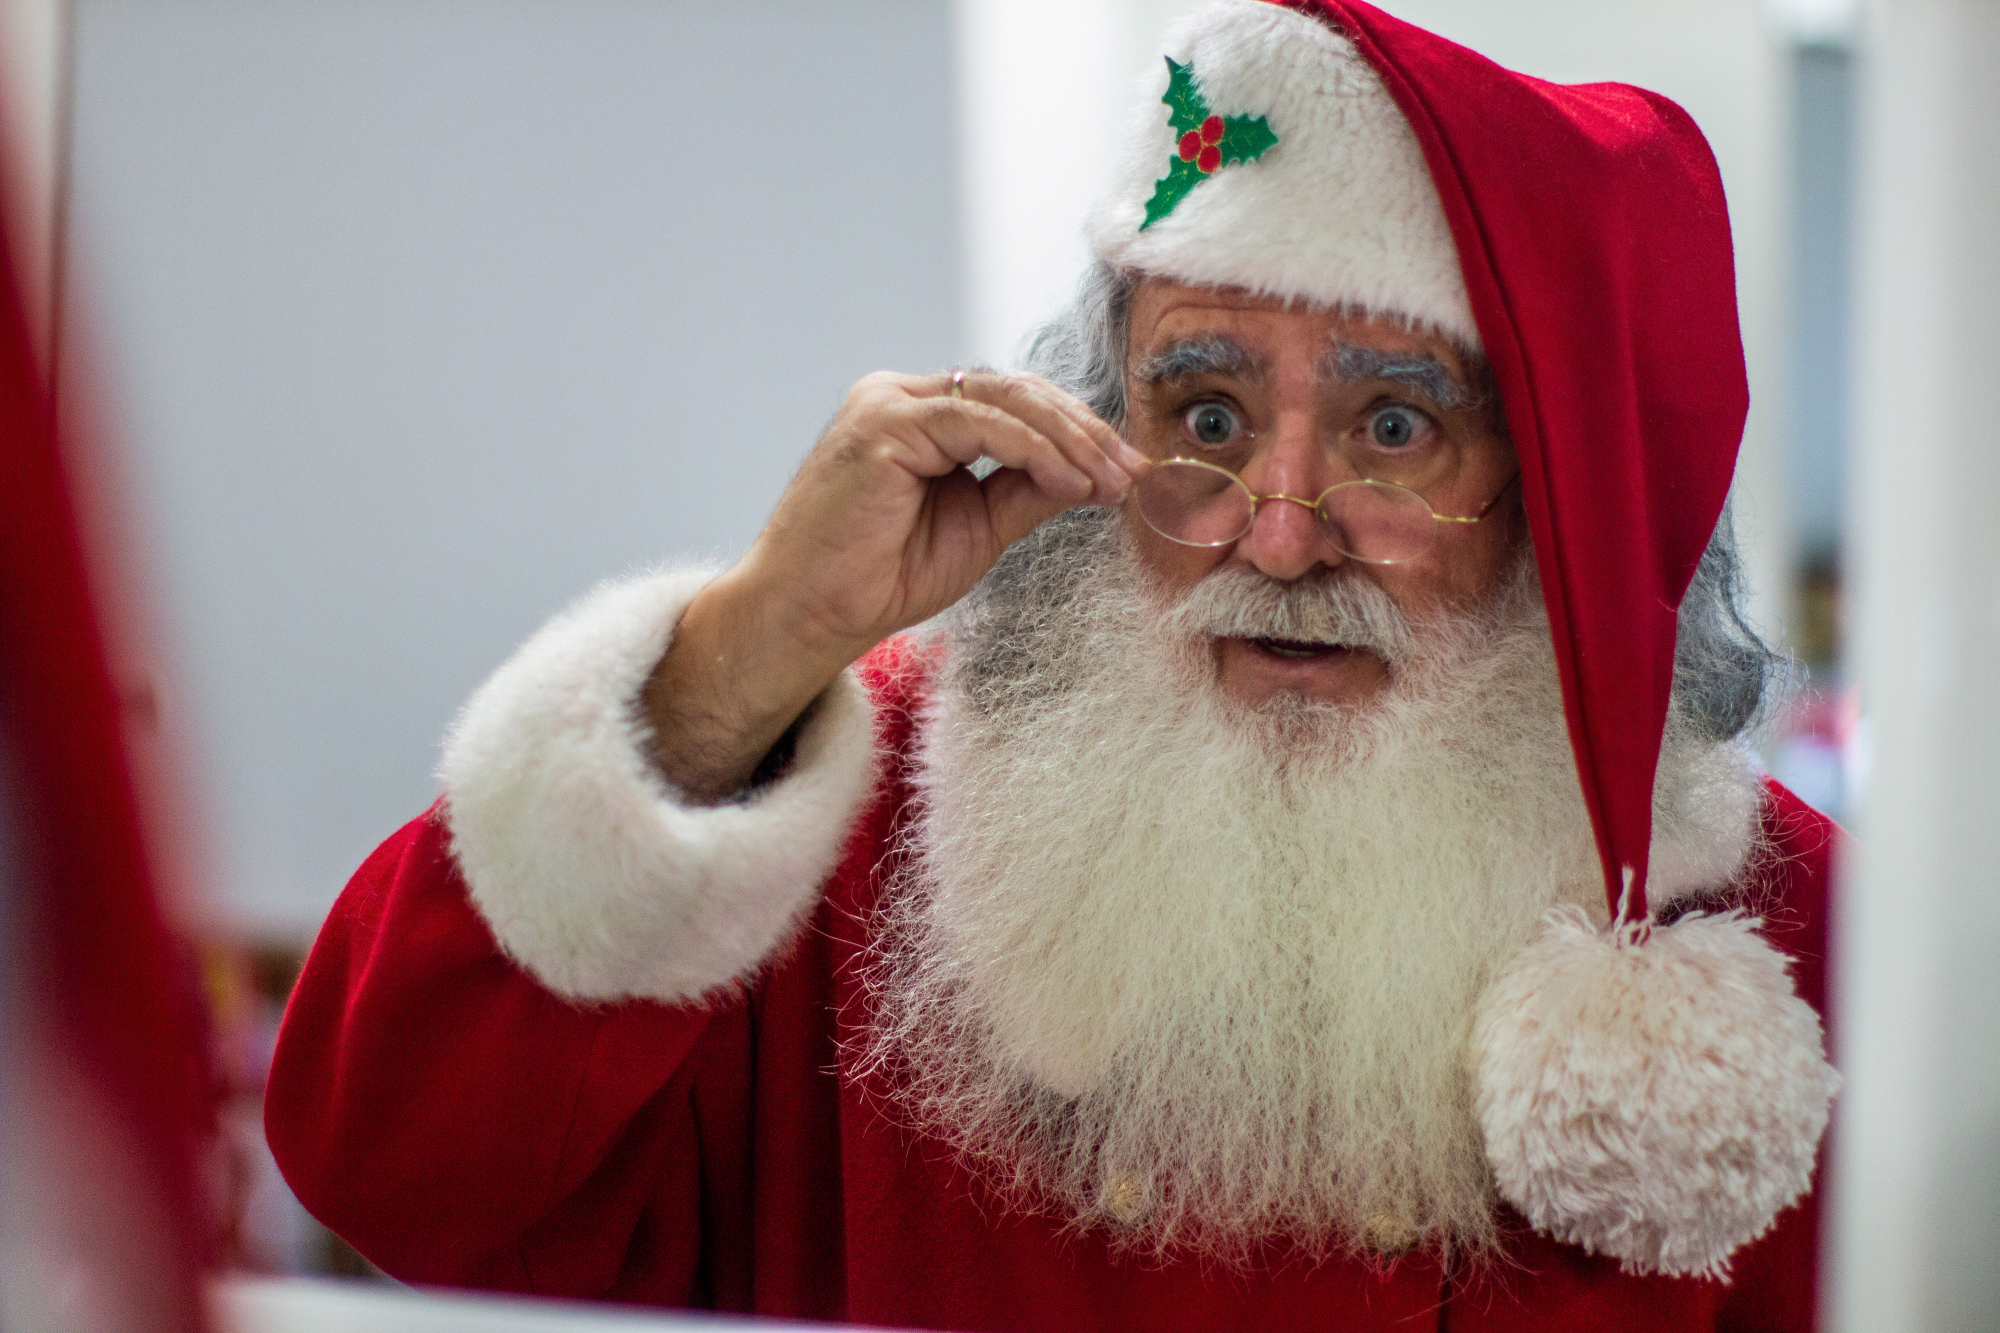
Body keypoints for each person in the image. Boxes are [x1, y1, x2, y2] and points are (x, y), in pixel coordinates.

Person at [266, 2, 1841, 1328]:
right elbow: (388, 1163)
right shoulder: (860, 829)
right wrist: (756, 641)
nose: (1277, 537)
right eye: (1204, 415)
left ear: (1564, 498)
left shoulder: (1770, 934)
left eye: (1395, 427)